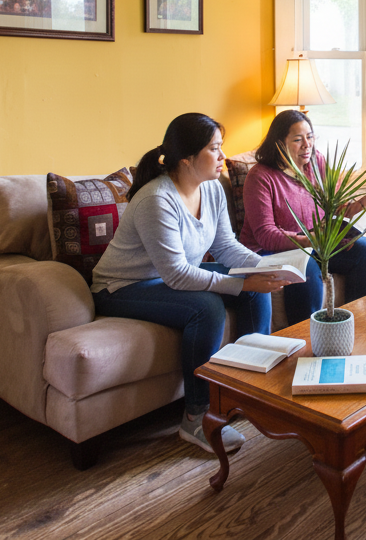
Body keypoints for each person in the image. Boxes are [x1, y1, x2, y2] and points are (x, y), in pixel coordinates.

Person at [90, 113, 287, 455]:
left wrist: (270, 268)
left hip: (166, 279)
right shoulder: (157, 199)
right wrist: (242, 284)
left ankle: (248, 393)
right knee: (206, 307)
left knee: (253, 290)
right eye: (215, 148)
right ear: (187, 160)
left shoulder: (210, 188)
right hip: (122, 287)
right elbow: (178, 274)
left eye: (221, 147)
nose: (223, 155)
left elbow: (225, 245)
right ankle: (196, 418)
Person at [238, 110, 366, 324]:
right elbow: (265, 235)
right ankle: (306, 338)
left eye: (310, 136)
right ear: (279, 143)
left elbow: (333, 207)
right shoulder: (260, 177)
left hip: (314, 241)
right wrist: (310, 240)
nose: (307, 144)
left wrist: (353, 209)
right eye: (298, 139)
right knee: (307, 268)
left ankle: (356, 324)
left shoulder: (317, 163)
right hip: (272, 250)